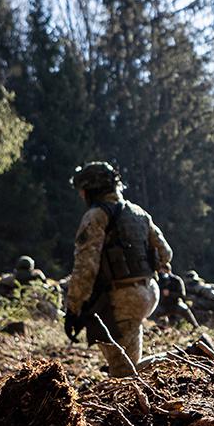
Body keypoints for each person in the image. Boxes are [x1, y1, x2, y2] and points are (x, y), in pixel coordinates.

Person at [64, 162, 173, 378]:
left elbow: (86, 268)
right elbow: (166, 254)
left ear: (91, 190)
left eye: (82, 191)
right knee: (128, 363)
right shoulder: (139, 212)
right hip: (148, 291)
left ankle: (190, 355)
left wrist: (73, 308)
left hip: (121, 299)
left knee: (123, 372)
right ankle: (187, 355)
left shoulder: (96, 216)